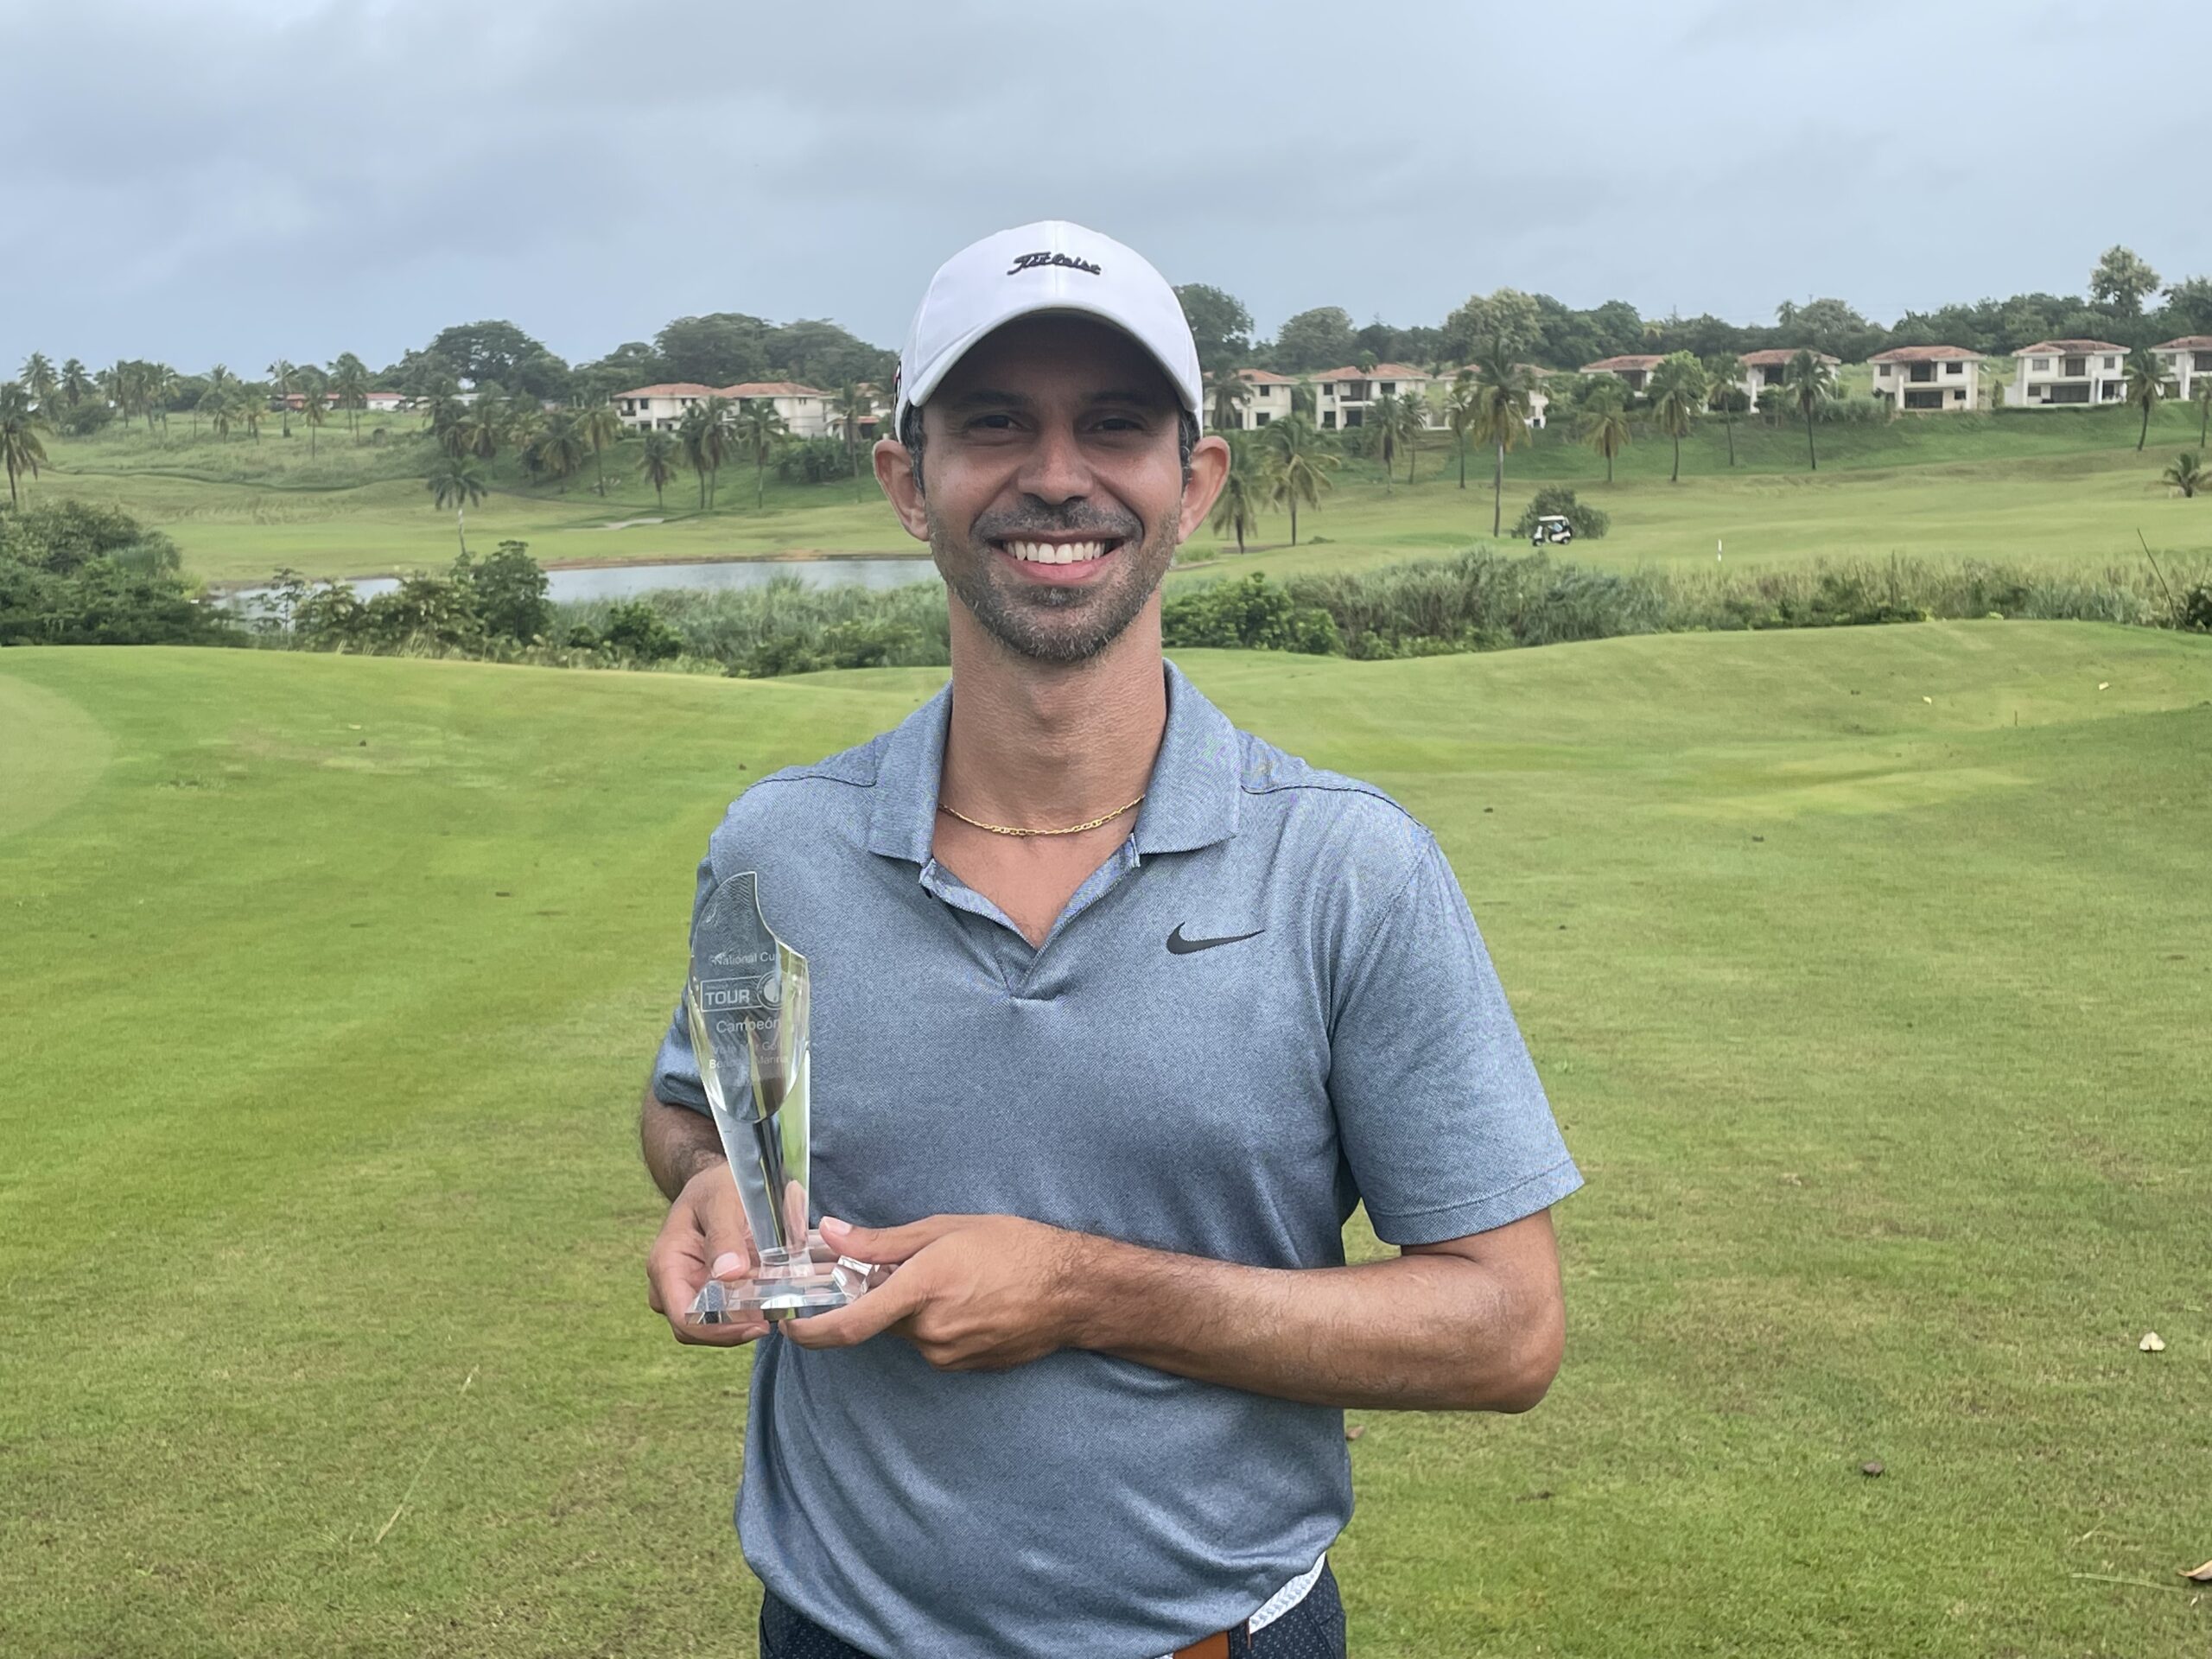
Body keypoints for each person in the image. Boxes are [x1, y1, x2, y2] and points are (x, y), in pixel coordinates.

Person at [639, 220, 1582, 1659]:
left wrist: (1081, 1293)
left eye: (1117, 425)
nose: (1057, 475)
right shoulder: (779, 848)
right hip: (831, 1631)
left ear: (1194, 484)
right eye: (993, 424)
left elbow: (1506, 1331)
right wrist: (711, 1178)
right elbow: (686, 1111)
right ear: (908, 482)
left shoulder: (1349, 868)